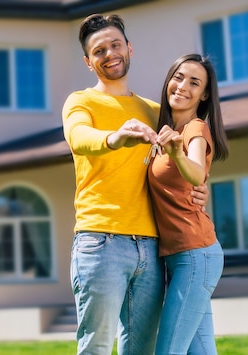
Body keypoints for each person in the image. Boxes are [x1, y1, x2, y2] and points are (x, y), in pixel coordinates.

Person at [62, 14, 209, 355]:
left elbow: (184, 157)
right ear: (88, 62)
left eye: (115, 45)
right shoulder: (81, 101)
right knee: (96, 347)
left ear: (129, 48)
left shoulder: (155, 111)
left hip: (152, 247)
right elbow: (78, 137)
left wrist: (200, 186)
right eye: (99, 50)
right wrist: (115, 137)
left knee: (142, 349)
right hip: (101, 242)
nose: (109, 53)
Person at [148, 54, 229, 355]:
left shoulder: (195, 130)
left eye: (194, 82)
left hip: (195, 256)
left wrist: (178, 154)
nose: (182, 86)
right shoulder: (165, 131)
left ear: (204, 94)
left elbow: (195, 171)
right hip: (183, 257)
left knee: (168, 351)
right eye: (178, 77)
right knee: (201, 351)